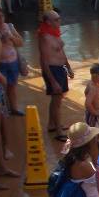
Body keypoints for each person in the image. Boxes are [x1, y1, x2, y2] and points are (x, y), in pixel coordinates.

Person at [37, 10, 74, 139]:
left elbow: (61, 53)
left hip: (60, 68)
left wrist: (68, 67)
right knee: (57, 101)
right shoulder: (44, 37)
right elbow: (44, 60)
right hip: (53, 70)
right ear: (48, 22)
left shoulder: (55, 33)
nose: (60, 21)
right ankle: (58, 131)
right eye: (56, 19)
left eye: (59, 18)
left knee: (56, 99)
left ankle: (52, 124)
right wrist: (52, 81)